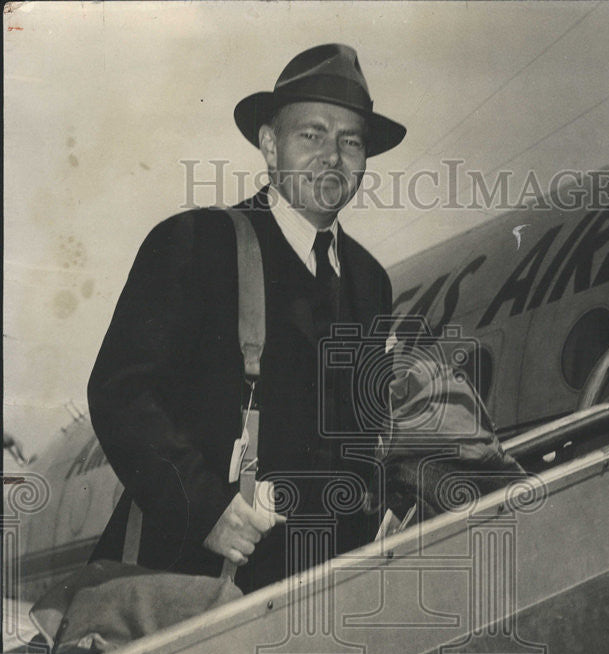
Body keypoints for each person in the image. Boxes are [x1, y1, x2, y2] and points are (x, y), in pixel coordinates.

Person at [88, 44, 406, 593]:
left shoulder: (370, 280)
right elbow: (122, 393)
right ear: (268, 143)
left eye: (350, 140)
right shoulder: (197, 243)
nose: (332, 155)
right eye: (312, 134)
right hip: (193, 582)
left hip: (324, 595)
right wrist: (206, 510)